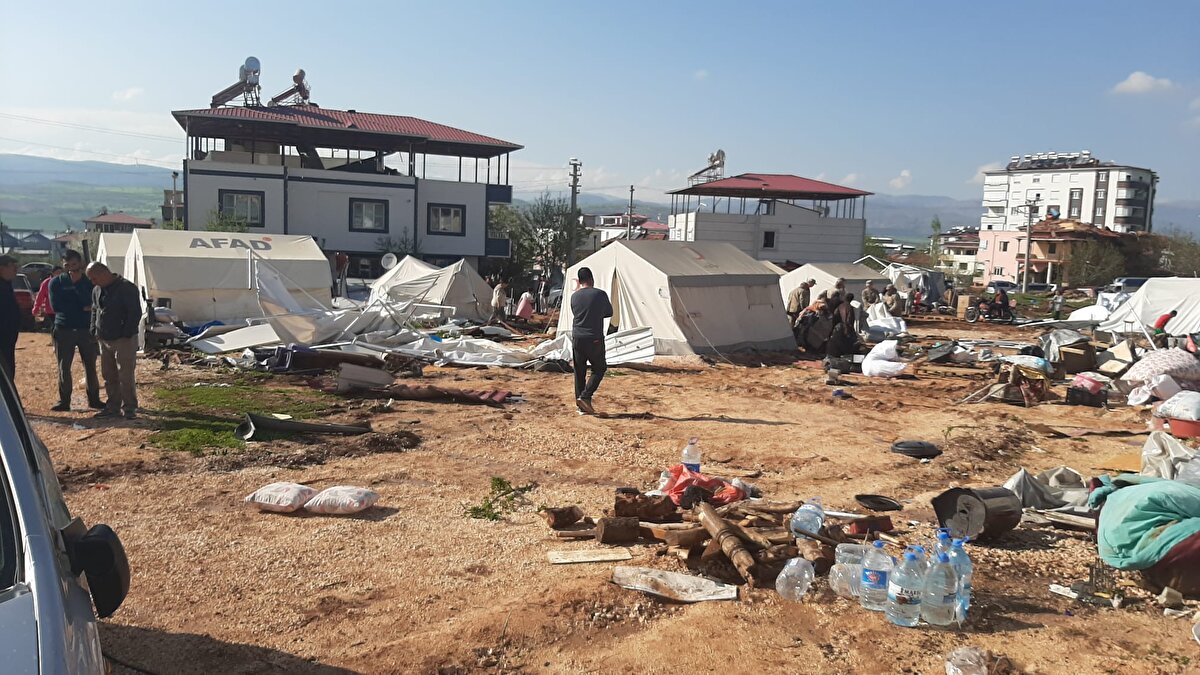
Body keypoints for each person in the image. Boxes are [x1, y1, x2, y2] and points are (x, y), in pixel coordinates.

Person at [85, 263, 142, 420]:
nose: (92, 282)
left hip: (123, 339)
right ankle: (113, 406)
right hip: (104, 338)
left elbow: (134, 312)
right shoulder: (97, 290)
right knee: (109, 375)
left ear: (104, 273)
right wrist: (94, 329)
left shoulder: (126, 288)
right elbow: (95, 310)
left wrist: (126, 333)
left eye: (94, 278)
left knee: (125, 375)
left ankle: (129, 407)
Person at [48, 252, 102, 412]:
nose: (71, 268)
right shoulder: (56, 283)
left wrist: (82, 307)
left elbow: (94, 304)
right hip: (64, 329)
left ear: (80, 264)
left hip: (86, 329)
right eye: (67, 265)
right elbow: (57, 306)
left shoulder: (89, 282)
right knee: (64, 366)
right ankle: (64, 401)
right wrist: (82, 307)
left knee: (90, 365)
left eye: (73, 264)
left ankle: (94, 399)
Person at [569, 267, 611, 415]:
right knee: (599, 368)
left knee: (579, 371)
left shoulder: (574, 297)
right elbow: (609, 312)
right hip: (594, 338)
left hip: (577, 338)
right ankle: (585, 397)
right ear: (592, 279)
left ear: (579, 282)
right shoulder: (600, 294)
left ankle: (580, 405)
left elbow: (576, 313)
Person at [0, 256, 19, 382]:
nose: (15, 269)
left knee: (8, 372)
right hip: (2, 337)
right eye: (12, 266)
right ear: (2, 268)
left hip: (8, 339)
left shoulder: (7, 284)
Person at [33, 265, 63, 331]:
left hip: (62, 310)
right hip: (50, 310)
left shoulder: (64, 282)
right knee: (55, 326)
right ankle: (55, 339)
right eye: (57, 272)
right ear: (52, 273)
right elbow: (40, 296)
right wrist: (36, 307)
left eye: (61, 272)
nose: (59, 274)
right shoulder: (46, 283)